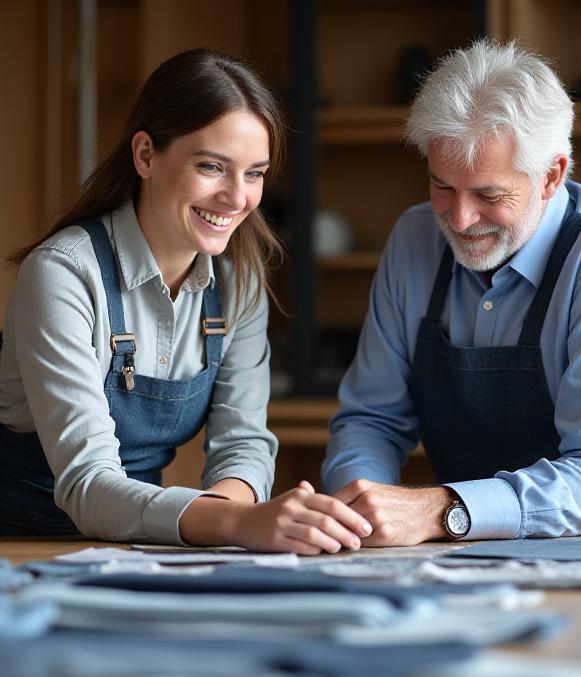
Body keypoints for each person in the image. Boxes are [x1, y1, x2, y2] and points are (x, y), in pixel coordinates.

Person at [0, 48, 371, 554]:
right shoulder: (63, 274)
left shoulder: (239, 284)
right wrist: (235, 524)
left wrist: (231, 513)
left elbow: (243, 444)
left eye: (255, 173)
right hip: (22, 546)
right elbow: (87, 482)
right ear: (146, 155)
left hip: (141, 543)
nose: (237, 198)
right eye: (212, 166)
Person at [322, 38, 581, 544]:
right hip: (460, 559)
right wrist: (361, 512)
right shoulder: (414, 237)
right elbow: (371, 420)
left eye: (489, 195)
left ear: (551, 176)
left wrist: (441, 510)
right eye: (442, 186)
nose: (460, 219)